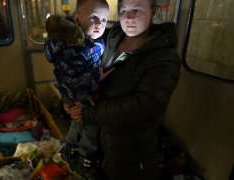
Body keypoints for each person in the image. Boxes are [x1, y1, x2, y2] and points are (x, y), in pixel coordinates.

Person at [63, 0, 181, 179]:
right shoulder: (107, 39)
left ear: (153, 12)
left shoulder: (164, 57)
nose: (129, 16)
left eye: (137, 10)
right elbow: (81, 74)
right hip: (96, 146)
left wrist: (88, 114)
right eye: (124, 10)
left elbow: (144, 106)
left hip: (129, 155)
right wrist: (69, 100)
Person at [44, 0, 109, 178]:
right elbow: (73, 78)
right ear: (77, 17)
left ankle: (70, 147)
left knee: (76, 122)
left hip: (75, 95)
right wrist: (97, 77)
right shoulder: (72, 47)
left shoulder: (82, 39)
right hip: (82, 94)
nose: (99, 24)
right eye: (94, 17)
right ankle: (86, 156)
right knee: (89, 128)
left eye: (104, 20)